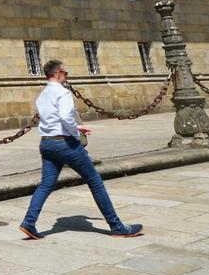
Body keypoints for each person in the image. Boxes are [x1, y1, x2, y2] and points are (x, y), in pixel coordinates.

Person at [20, 59, 143, 239]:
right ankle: (117, 226)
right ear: (58, 74)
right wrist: (76, 135)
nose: (66, 76)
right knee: (94, 181)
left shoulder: (43, 95)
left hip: (46, 143)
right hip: (65, 143)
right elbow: (65, 117)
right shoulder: (62, 93)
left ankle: (29, 222)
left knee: (46, 184)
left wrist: (76, 128)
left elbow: (52, 120)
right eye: (66, 73)